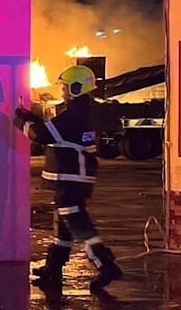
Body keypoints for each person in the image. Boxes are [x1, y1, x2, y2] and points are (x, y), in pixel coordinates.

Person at [13, 65, 124, 292]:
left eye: (65, 87)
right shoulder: (81, 109)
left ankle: (105, 264)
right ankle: (53, 268)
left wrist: (21, 122)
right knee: (63, 222)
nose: (62, 91)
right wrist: (33, 118)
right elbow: (55, 130)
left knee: (75, 221)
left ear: (76, 87)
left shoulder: (76, 112)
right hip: (70, 174)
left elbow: (43, 135)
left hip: (71, 175)